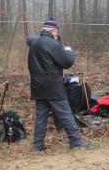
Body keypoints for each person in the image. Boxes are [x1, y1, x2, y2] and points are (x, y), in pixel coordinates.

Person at [28, 18, 89, 151]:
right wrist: (68, 51)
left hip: (38, 87)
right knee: (66, 114)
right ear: (54, 31)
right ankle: (76, 142)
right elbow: (67, 62)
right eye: (57, 33)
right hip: (53, 87)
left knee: (41, 117)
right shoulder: (53, 45)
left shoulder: (34, 44)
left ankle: (38, 145)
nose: (57, 35)